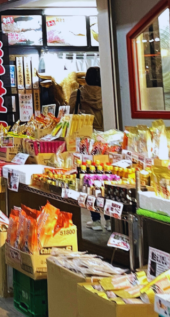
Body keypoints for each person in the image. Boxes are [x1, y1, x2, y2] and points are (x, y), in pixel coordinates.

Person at [70, 67, 107, 231]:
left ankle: (96, 220)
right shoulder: (108, 94)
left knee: (89, 179)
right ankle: (112, 219)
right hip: (106, 140)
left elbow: (70, 116)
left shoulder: (77, 94)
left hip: (86, 140)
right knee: (108, 179)